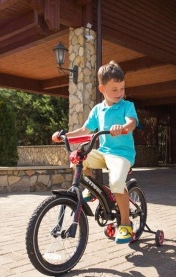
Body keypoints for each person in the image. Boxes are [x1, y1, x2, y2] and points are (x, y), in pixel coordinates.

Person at [52, 60, 139, 244]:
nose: (119, 93)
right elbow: (85, 130)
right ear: (102, 89)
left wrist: (122, 127)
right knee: (76, 158)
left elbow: (131, 123)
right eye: (114, 89)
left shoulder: (127, 106)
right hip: (104, 151)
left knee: (116, 182)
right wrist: (64, 135)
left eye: (122, 88)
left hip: (122, 154)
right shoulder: (98, 110)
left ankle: (125, 224)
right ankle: (92, 189)